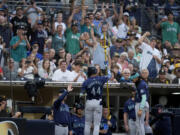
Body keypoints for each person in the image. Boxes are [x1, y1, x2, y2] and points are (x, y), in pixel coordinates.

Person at [80, 66, 111, 135]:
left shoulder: (86, 81)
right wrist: (107, 67)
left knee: (87, 123)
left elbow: (81, 95)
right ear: (95, 72)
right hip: (98, 102)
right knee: (97, 124)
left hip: (89, 102)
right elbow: (109, 75)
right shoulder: (101, 79)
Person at [133, 69, 150, 135]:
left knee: (140, 124)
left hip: (141, 103)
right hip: (142, 103)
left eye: (146, 73)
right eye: (143, 73)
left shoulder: (141, 84)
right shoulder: (140, 83)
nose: (144, 74)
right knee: (139, 124)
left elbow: (144, 98)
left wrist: (140, 109)